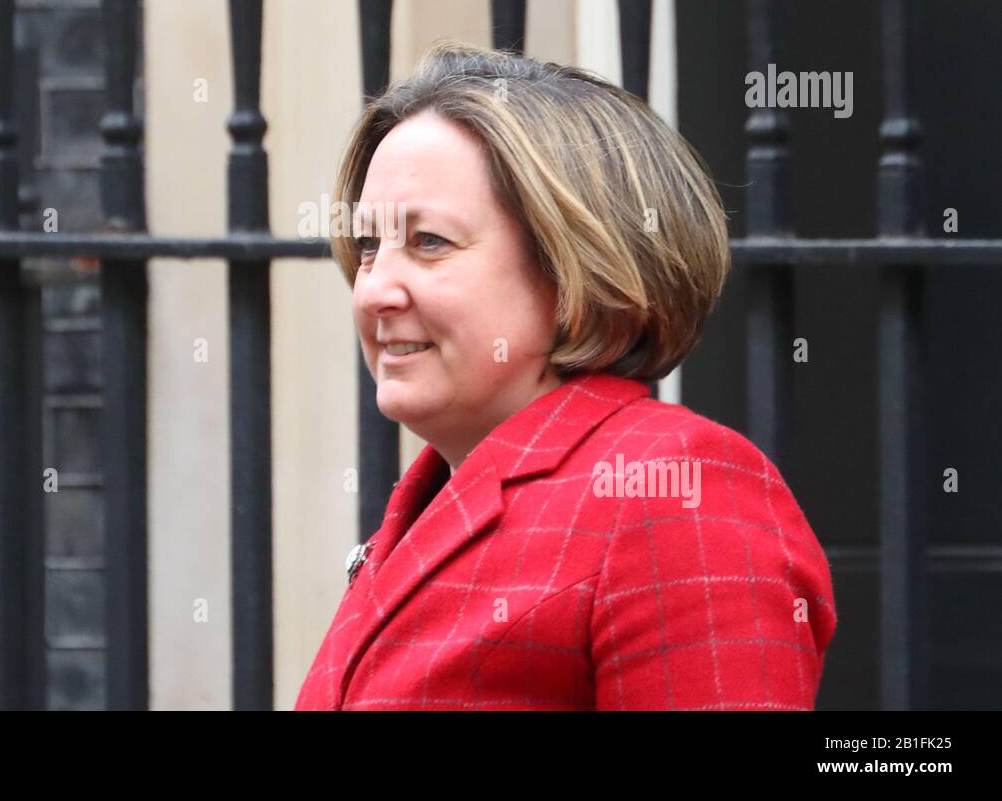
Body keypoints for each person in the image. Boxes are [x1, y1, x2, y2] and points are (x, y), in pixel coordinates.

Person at [295, 41, 836, 711]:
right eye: (370, 245)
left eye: (429, 241)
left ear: (578, 268)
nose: (374, 289)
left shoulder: (672, 488)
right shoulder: (421, 504)